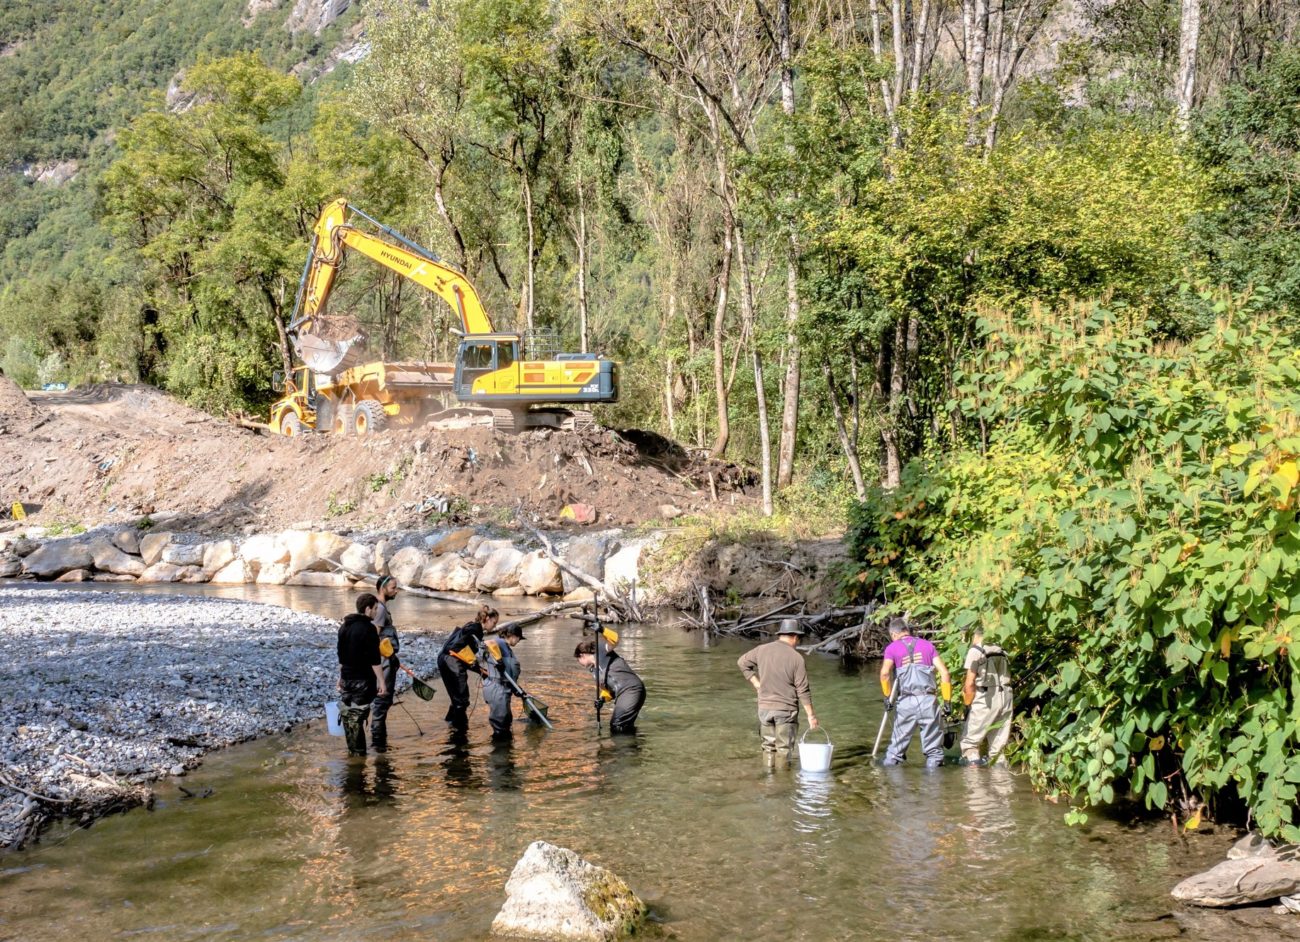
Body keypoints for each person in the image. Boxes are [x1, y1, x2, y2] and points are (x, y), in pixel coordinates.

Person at [737, 619, 819, 765]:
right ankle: (783, 785)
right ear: (795, 637)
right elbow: (803, 690)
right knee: (784, 749)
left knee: (768, 748)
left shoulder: (761, 650)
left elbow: (742, 662)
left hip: (764, 709)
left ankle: (769, 781)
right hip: (785, 711)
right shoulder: (797, 658)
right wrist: (811, 716)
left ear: (781, 634)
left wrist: (757, 684)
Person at [880, 616, 953, 768]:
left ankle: (890, 783)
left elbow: (885, 674)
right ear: (907, 630)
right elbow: (945, 673)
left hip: (906, 702)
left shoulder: (892, 648)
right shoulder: (928, 646)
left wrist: (887, 697)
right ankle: (933, 785)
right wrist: (947, 700)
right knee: (934, 752)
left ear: (893, 634)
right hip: (928, 701)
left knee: (895, 751)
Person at [337, 593, 388, 757]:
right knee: (357, 718)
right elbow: (375, 659)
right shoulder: (369, 629)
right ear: (367, 609)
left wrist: (340, 678)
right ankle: (359, 757)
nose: (375, 613)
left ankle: (353, 751)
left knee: (349, 717)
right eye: (374, 609)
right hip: (362, 680)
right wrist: (382, 682)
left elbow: (341, 656)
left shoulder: (344, 626)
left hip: (347, 679)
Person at [438, 605, 497, 728]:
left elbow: (465, 655)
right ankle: (460, 731)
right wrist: (479, 669)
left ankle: (450, 724)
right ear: (486, 619)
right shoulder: (475, 629)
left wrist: (481, 671)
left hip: (444, 659)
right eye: (494, 622)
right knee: (462, 700)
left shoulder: (471, 626)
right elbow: (460, 651)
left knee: (456, 699)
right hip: (452, 662)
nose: (495, 626)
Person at [960, 631, 1013, 765]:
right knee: (998, 746)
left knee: (970, 743)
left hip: (986, 698)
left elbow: (970, 682)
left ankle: (974, 778)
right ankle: (1001, 777)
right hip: (1006, 696)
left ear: (973, 634)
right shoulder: (1002, 649)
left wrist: (967, 705)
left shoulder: (976, 650)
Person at [574, 637, 645, 734]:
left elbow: (615, 639)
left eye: (578, 659)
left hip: (631, 689)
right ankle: (633, 744)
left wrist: (602, 629)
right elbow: (610, 691)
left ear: (582, 655)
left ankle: (625, 747)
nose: (579, 663)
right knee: (621, 725)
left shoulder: (602, 652)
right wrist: (602, 699)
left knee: (617, 724)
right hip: (622, 694)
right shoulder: (595, 671)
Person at [369, 575, 401, 753]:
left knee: (383, 701)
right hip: (382, 663)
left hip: (386, 660)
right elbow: (374, 637)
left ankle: (380, 741)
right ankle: (378, 746)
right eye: (393, 588)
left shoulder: (379, 608)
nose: (396, 591)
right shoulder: (380, 610)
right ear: (383, 589)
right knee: (382, 701)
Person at [481, 624, 526, 737]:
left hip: (504, 689)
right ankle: (500, 751)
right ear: (512, 636)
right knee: (500, 726)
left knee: (505, 721)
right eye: (519, 638)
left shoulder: (507, 648)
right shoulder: (500, 643)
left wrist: (518, 690)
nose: (519, 641)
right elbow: (486, 644)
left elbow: (509, 675)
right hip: (497, 689)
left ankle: (505, 750)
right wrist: (498, 660)